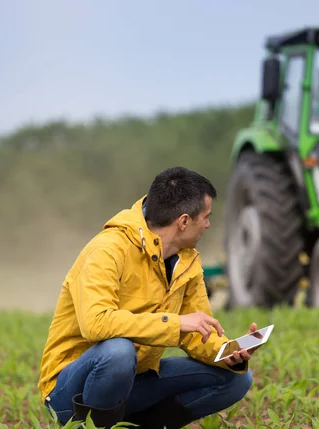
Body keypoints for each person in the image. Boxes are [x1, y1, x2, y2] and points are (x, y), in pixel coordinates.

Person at [37, 167, 256, 429]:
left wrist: (228, 353)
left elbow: (197, 331)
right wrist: (175, 323)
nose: (208, 224)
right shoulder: (107, 250)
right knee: (117, 351)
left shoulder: (188, 260)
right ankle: (94, 426)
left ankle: (136, 425)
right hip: (71, 392)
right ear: (184, 221)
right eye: (206, 217)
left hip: (135, 379)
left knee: (236, 379)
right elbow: (96, 324)